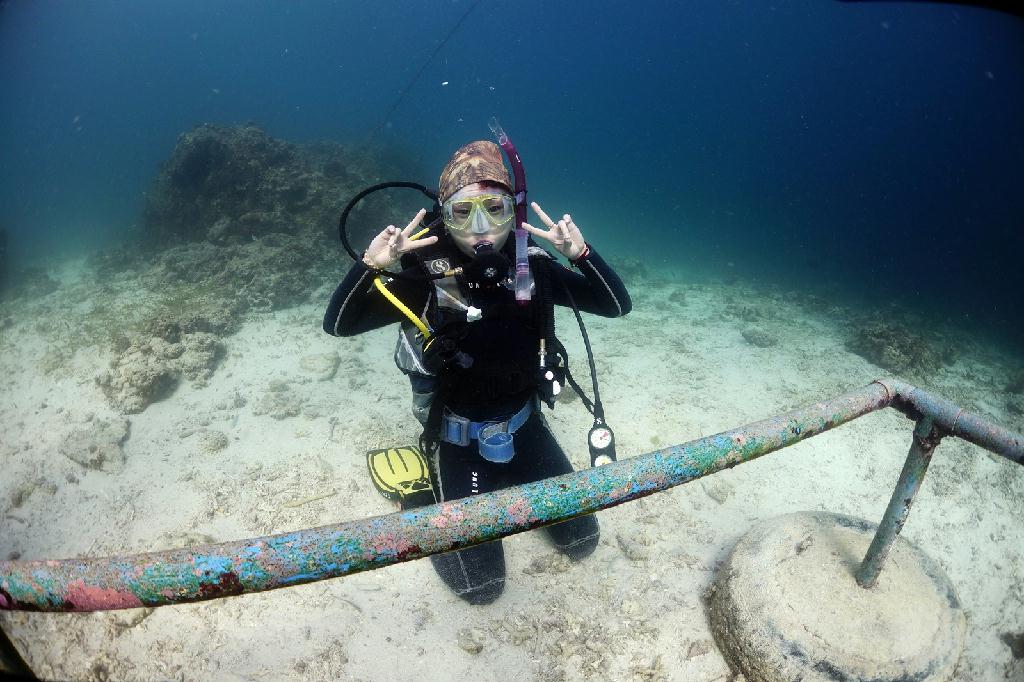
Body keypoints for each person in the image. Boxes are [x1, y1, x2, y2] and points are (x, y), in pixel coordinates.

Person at [323, 140, 631, 604]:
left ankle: (506, 480)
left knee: (582, 541)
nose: (481, 228)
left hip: (525, 427)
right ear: (443, 217)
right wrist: (371, 267)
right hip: (459, 441)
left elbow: (615, 305)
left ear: (514, 212)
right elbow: (339, 325)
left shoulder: (533, 268)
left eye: (495, 208)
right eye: (463, 212)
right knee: (481, 588)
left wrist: (582, 254)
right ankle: (421, 498)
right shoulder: (425, 278)